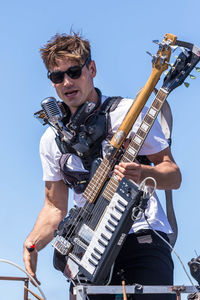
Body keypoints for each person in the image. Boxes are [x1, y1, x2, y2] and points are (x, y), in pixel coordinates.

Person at [23, 32, 182, 300]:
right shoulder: (50, 139)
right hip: (88, 251)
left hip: (141, 235)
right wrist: (32, 244)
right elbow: (54, 207)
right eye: (57, 76)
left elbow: (173, 174)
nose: (67, 82)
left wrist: (145, 173)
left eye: (74, 72)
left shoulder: (128, 112)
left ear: (92, 69)